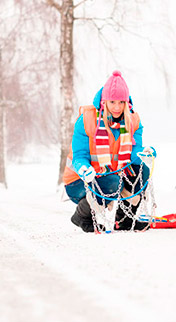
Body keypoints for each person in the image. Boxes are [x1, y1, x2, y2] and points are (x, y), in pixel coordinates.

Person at [63, 70, 156, 232]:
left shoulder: (133, 120)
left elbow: (134, 150)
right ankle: (81, 216)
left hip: (111, 174)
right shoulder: (86, 120)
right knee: (112, 183)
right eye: (112, 102)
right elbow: (80, 155)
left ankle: (124, 220)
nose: (117, 107)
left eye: (121, 102)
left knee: (142, 172)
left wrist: (142, 153)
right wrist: (83, 168)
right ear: (104, 101)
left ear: (127, 103)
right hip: (80, 180)